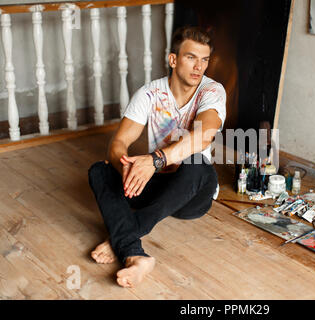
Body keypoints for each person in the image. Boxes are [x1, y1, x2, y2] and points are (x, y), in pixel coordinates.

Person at [88, 26, 226, 288]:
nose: (199, 67)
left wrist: (155, 159)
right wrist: (126, 167)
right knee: (100, 170)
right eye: (191, 58)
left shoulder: (212, 91)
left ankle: (124, 237)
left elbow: (205, 134)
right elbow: (118, 143)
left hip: (194, 194)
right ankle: (135, 255)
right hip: (158, 183)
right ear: (173, 59)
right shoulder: (149, 93)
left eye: (205, 59)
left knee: (198, 162)